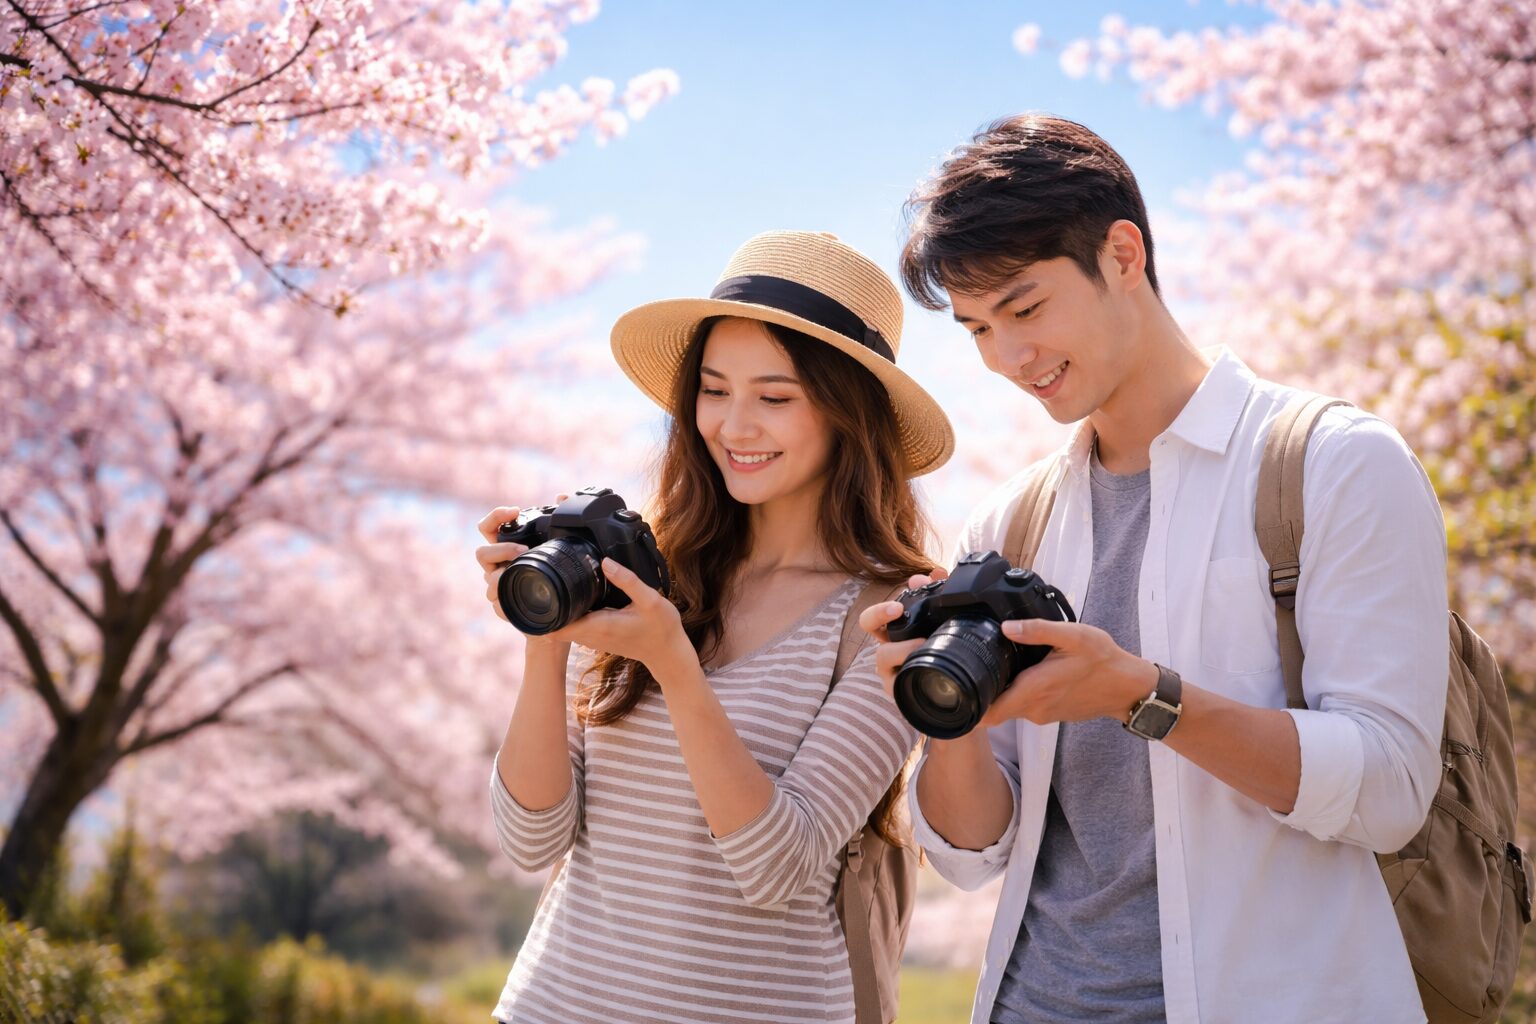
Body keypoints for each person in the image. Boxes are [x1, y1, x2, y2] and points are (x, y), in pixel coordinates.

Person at [860, 114, 1448, 1023]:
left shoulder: (1333, 464)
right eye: (977, 329)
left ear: (1123, 254)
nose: (1009, 358)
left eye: (1025, 309)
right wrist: (946, 711)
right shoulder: (1010, 525)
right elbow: (973, 855)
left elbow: (1392, 789)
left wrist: (1143, 696)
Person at [475, 230, 954, 1024]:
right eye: (714, 389)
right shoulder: (646, 574)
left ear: (848, 416)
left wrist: (675, 665)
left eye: (775, 398)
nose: (734, 425)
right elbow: (530, 840)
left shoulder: (890, 620)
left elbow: (777, 868)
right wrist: (545, 635)